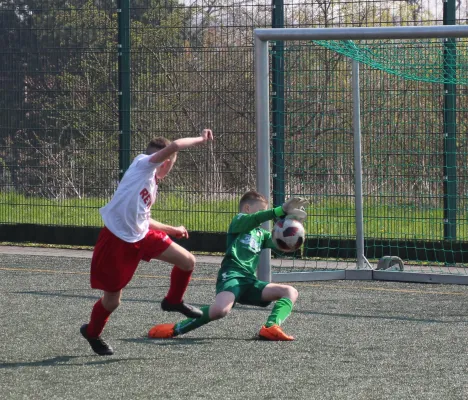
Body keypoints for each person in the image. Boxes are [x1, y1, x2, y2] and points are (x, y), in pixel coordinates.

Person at [81, 129, 214, 355]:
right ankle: (92, 332)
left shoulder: (151, 183)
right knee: (112, 301)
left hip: (142, 236)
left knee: (187, 261)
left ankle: (173, 301)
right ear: (165, 160)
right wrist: (201, 140)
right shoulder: (143, 164)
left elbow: (142, 218)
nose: (166, 165)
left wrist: (172, 229)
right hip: (116, 242)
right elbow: (174, 147)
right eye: (167, 160)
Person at [148, 190, 308, 341]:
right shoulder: (238, 222)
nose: (262, 217)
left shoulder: (261, 234)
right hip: (232, 277)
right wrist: (279, 210)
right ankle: (176, 329)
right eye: (260, 211)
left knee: (290, 291)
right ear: (247, 208)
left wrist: (291, 228)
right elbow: (255, 219)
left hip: (250, 283)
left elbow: (281, 245)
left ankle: (270, 327)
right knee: (220, 311)